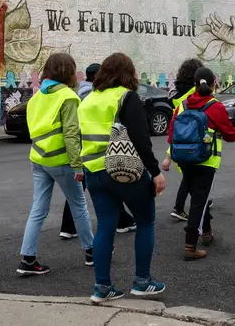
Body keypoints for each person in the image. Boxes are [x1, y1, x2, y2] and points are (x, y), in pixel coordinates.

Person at [79, 53, 166, 303]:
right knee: (146, 220)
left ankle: (102, 287)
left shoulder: (88, 99)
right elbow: (140, 140)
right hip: (123, 169)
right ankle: (142, 281)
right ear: (128, 73)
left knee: (106, 226)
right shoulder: (126, 97)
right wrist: (155, 172)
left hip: (93, 172)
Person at [16, 53, 94, 276]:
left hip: (38, 158)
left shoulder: (36, 97)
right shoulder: (68, 97)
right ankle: (91, 252)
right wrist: (77, 165)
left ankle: (28, 259)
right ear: (68, 72)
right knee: (78, 205)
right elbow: (71, 133)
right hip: (62, 161)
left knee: (38, 209)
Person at [162, 67, 235, 261]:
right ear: (212, 85)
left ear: (195, 84)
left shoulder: (183, 104)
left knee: (199, 198)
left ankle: (207, 233)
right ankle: (190, 245)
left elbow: (172, 131)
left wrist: (169, 156)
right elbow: (227, 131)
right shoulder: (214, 106)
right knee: (199, 202)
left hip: (184, 159)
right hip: (206, 160)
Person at [60, 63, 136, 240]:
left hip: (81, 148)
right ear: (96, 76)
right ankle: (122, 222)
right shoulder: (94, 96)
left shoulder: (77, 93)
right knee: (111, 187)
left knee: (78, 192)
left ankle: (68, 227)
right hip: (97, 151)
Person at [167, 59, 206, 222]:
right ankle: (182, 207)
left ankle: (182, 206)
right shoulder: (194, 94)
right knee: (192, 177)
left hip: (178, 140)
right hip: (193, 141)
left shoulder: (174, 94)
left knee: (188, 176)